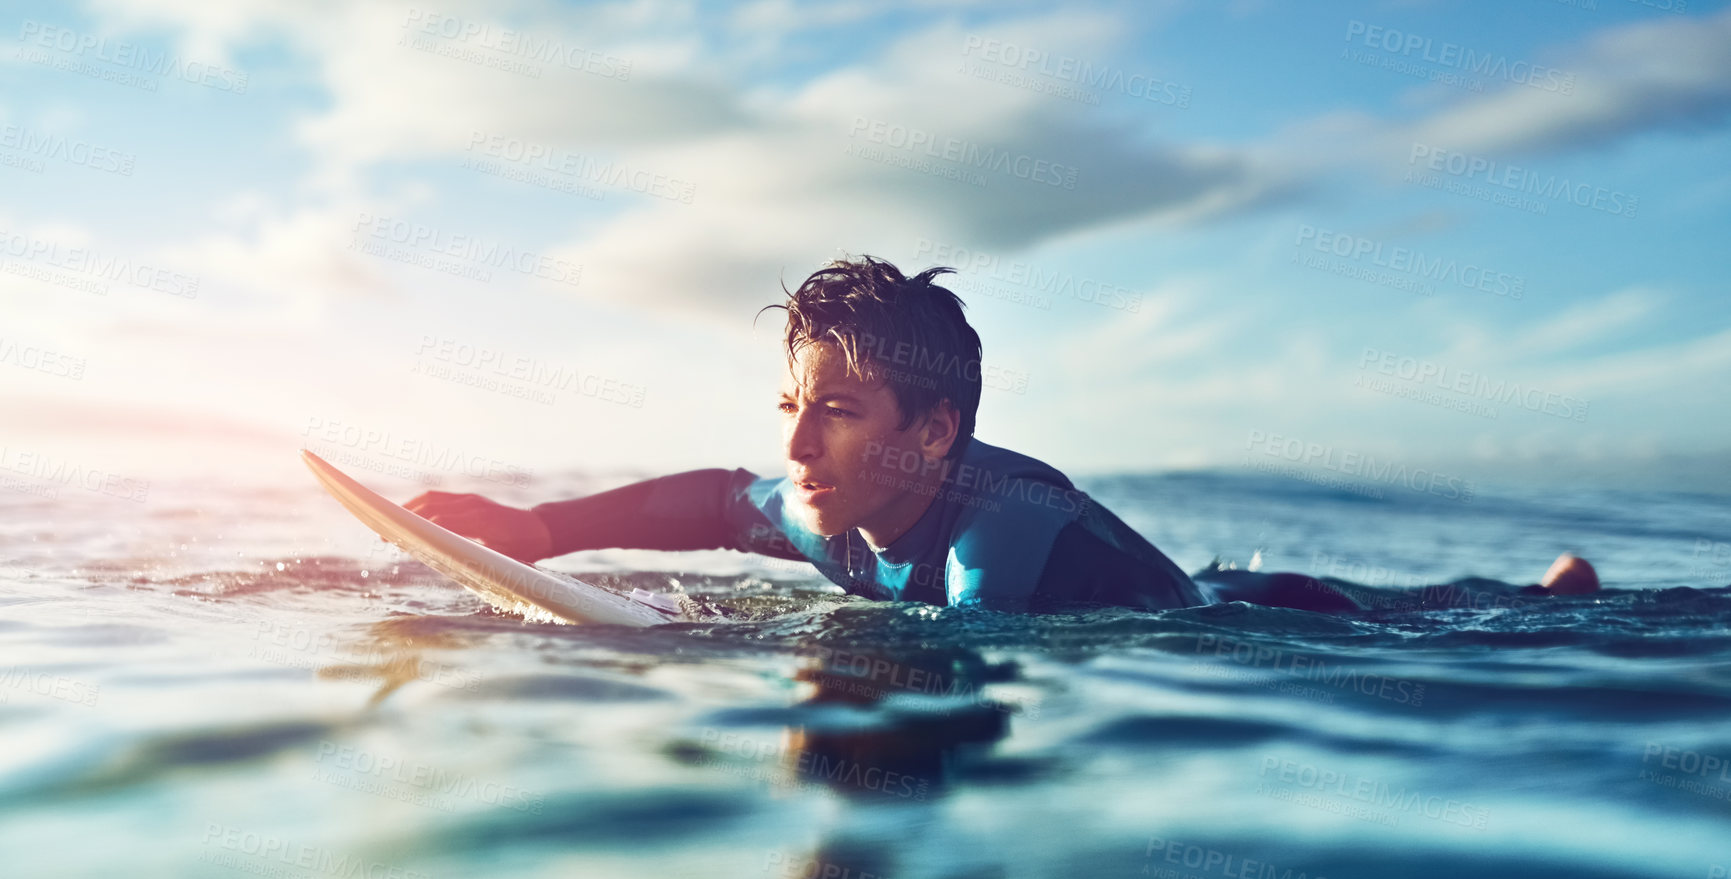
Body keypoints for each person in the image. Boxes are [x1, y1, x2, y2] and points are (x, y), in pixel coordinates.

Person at [405, 257, 1598, 615]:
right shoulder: (826, 498)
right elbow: (718, 501)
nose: (800, 446)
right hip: (1208, 575)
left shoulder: (997, 538)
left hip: (1270, 618)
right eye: (794, 410)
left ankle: (1549, 600)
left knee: (1425, 613)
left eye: (837, 410)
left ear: (934, 434)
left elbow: (957, 660)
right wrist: (537, 528)